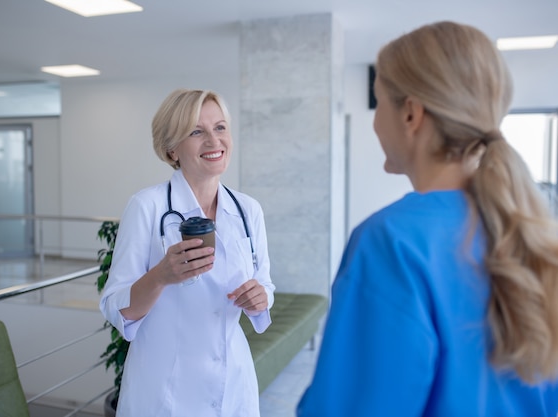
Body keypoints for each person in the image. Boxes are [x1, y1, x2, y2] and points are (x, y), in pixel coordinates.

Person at [297, 21, 558, 416]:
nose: (374, 121)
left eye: (379, 100)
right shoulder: (530, 233)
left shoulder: (391, 242)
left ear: (411, 114)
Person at [99, 88, 275, 417]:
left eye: (220, 128)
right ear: (171, 148)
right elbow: (115, 306)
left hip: (232, 380)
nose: (214, 140)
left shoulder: (248, 210)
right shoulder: (147, 207)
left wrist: (261, 297)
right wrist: (162, 275)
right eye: (197, 132)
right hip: (166, 387)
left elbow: (265, 283)